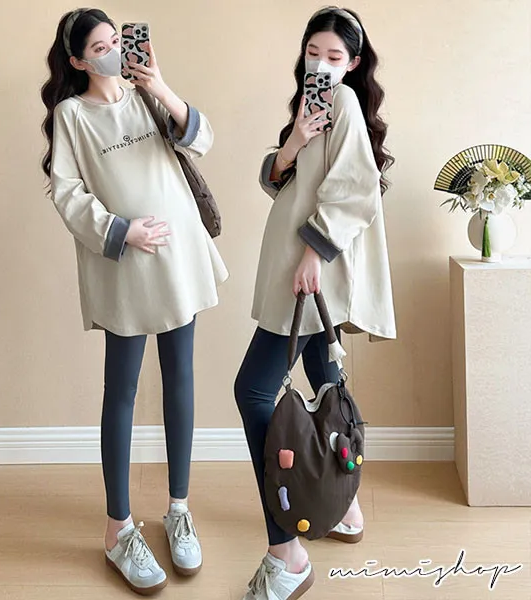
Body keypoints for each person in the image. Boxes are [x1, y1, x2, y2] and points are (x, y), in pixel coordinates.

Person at [40, 8, 228, 595]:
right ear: (77, 60)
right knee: (120, 390)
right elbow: (67, 191)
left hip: (179, 259)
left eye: (115, 41)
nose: (112, 52)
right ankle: (118, 528)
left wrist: (161, 86)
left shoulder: (148, 94)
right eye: (99, 47)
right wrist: (123, 231)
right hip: (125, 263)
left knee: (180, 378)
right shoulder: (72, 115)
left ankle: (178, 510)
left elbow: (203, 139)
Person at [234, 6, 396, 599]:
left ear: (352, 64)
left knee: (254, 392)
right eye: (313, 54)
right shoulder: (312, 107)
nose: (321, 66)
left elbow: (355, 190)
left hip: (307, 269)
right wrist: (296, 139)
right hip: (300, 265)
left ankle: (287, 552)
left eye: (334, 57)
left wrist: (314, 255)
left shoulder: (345, 101)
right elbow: (282, 180)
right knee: (328, 387)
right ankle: (344, 506)